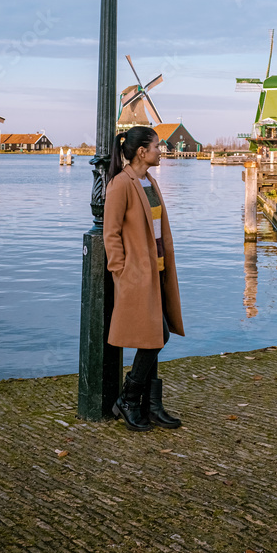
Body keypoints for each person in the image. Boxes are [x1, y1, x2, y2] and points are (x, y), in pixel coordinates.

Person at [103, 126, 185, 431]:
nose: (160, 151)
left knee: (154, 335)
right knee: (158, 335)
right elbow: (110, 234)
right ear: (142, 152)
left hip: (158, 271)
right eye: (157, 147)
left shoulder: (149, 181)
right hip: (137, 276)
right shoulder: (120, 184)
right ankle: (129, 398)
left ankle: (152, 406)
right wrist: (121, 272)